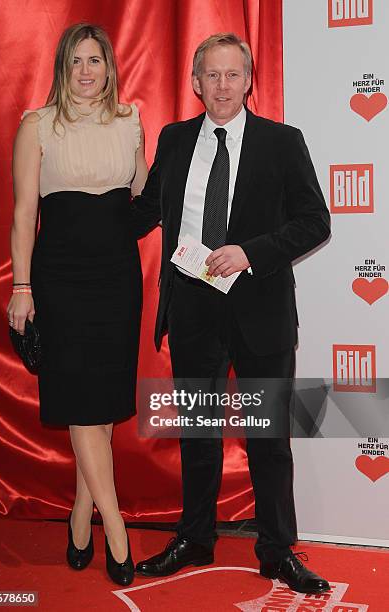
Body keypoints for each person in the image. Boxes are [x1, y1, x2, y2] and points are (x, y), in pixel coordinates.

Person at [133, 33, 331, 594]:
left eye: (232, 75)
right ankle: (194, 538)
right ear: (195, 84)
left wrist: (252, 252)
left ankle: (277, 551)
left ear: (250, 81)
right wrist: (81, 214)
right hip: (193, 309)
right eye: (211, 76)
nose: (222, 86)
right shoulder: (172, 141)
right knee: (197, 435)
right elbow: (146, 211)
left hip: (260, 308)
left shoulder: (282, 141)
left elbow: (316, 221)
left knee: (268, 439)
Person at [6, 23, 148, 586]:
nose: (86, 72)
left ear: (109, 68)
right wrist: (21, 288)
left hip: (117, 276)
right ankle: (116, 527)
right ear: (62, 69)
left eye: (96, 61)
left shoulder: (130, 120)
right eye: (76, 61)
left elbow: (142, 196)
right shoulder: (36, 125)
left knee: (103, 402)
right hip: (59, 278)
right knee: (83, 402)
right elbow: (22, 213)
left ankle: (81, 510)